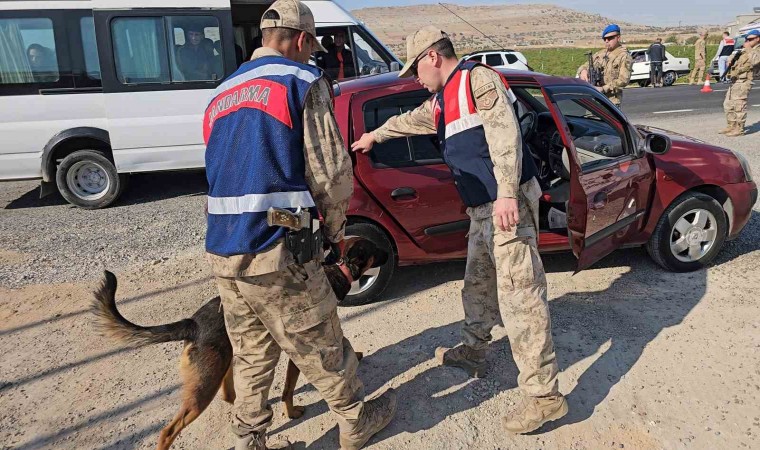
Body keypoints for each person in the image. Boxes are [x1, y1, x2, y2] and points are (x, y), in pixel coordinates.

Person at [351, 26, 567, 434]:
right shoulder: (442, 100)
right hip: (482, 210)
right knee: (478, 284)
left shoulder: (477, 80)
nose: (415, 79)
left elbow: (505, 137)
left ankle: (544, 396)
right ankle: (474, 351)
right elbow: (410, 120)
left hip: (506, 207)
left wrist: (506, 194)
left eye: (416, 69)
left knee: (521, 298)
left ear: (432, 57)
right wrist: (374, 135)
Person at [203, 1, 397, 449]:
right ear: (303, 39)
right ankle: (355, 421)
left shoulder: (221, 92)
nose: (312, 55)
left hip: (224, 248)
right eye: (312, 47)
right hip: (277, 246)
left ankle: (249, 436)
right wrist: (334, 233)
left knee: (251, 349)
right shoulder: (301, 81)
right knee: (320, 339)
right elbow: (330, 173)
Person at [577, 24, 633, 108]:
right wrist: (583, 71)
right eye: (605, 39)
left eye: (610, 38)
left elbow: (623, 80)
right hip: (594, 98)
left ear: (618, 38)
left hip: (611, 100)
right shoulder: (600, 54)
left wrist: (604, 89)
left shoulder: (624, 56)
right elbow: (584, 66)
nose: (607, 41)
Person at [720, 29, 760, 137]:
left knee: (739, 106)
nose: (748, 41)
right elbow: (735, 56)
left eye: (750, 39)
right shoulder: (745, 49)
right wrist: (730, 58)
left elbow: (755, 61)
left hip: (744, 81)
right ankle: (731, 125)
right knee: (728, 104)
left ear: (758, 39)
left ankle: (739, 129)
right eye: (747, 39)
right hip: (735, 79)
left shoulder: (756, 50)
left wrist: (748, 48)